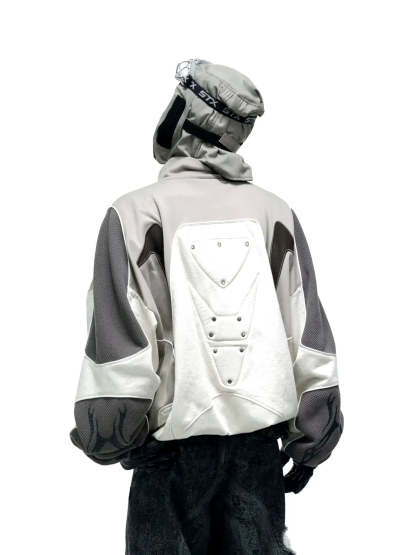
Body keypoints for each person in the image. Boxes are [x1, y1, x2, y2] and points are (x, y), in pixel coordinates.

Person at [70, 59, 343, 555]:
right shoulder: (274, 211)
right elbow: (306, 330)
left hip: (168, 455)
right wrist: (313, 438)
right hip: (258, 452)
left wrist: (112, 431)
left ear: (184, 112)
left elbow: (121, 336)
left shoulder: (134, 213)